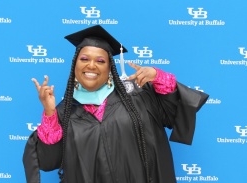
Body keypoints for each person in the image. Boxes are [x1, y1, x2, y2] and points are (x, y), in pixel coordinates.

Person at [23, 25, 209, 183]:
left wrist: (158, 77)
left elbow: (175, 113)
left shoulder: (137, 94)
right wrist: (49, 112)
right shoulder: (65, 111)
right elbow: (48, 162)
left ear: (110, 68)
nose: (91, 65)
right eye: (84, 59)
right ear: (75, 65)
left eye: (101, 61)